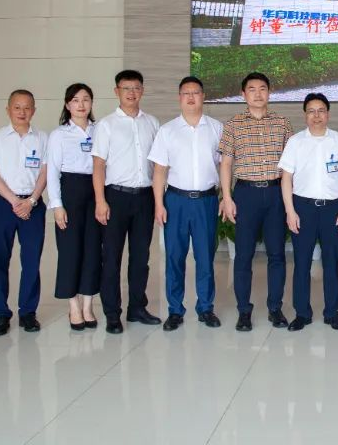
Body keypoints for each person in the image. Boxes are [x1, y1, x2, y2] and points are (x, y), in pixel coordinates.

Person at [218, 72, 294, 332]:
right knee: (243, 255)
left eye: (263, 88)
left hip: (275, 194)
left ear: (269, 93)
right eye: (252, 89)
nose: (258, 93)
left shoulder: (283, 124)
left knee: (277, 254)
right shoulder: (233, 125)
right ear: (243, 94)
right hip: (246, 194)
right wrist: (227, 197)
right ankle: (244, 311)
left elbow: (291, 166)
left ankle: (275, 308)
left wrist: (290, 202)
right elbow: (226, 164)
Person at [149, 76, 223, 331]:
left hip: (206, 201)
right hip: (176, 201)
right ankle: (175, 310)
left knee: (205, 257)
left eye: (196, 93)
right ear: (179, 98)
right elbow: (159, 170)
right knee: (174, 257)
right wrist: (159, 204)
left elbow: (224, 166)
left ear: (203, 96)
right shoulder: (167, 131)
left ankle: (206, 308)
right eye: (186, 93)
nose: (191, 97)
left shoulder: (217, 128)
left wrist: (226, 196)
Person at [92, 69, 161, 334]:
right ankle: (112, 313)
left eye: (136, 88)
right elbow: (98, 165)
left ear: (142, 90)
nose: (131, 93)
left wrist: (158, 199)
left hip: (144, 197)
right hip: (115, 197)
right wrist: (100, 201)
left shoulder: (152, 123)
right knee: (111, 257)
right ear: (116, 91)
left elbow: (158, 165)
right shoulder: (106, 125)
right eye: (126, 88)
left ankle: (137, 308)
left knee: (141, 257)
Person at [0, 89, 48, 336]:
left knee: (31, 261)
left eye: (27, 107)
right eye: (17, 107)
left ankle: (28, 312)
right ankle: (1, 313)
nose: (22, 112)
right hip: (2, 205)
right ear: (8, 110)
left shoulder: (43, 138)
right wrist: (15, 202)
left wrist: (31, 200)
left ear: (34, 110)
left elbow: (45, 172)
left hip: (33, 206)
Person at [279, 93, 338, 332]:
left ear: (328, 114)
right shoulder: (295, 142)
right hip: (303, 208)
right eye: (311, 111)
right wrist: (290, 211)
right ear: (305, 114)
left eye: (321, 110)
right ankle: (302, 313)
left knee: (331, 262)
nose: (316, 115)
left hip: (332, 209)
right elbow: (286, 178)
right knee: (302, 263)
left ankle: (332, 313)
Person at [46, 83, 101, 331]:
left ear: (91, 103)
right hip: (70, 192)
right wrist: (57, 205)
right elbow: (52, 172)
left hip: (96, 192)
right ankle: (74, 306)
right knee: (70, 251)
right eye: (76, 100)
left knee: (93, 250)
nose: (81, 104)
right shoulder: (59, 135)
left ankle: (88, 305)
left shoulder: (99, 130)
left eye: (86, 99)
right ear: (68, 104)